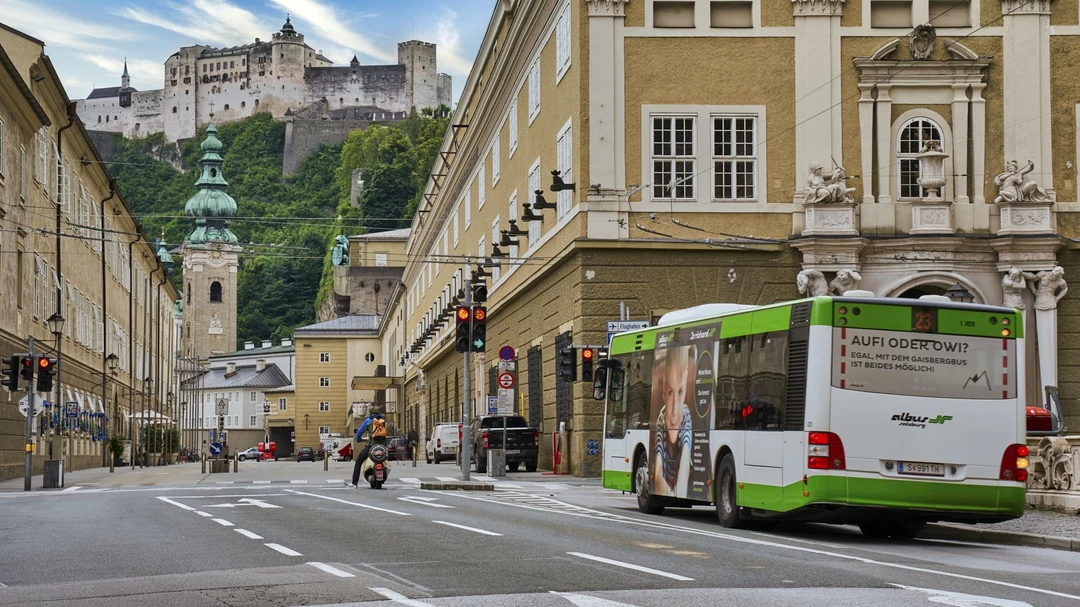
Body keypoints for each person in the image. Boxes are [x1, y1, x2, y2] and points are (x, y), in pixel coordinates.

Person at [652, 346, 694, 497]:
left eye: (680, 392)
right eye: (670, 393)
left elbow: (684, 466)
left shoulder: (686, 418)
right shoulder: (661, 420)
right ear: (663, 391)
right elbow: (657, 475)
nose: (675, 413)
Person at [348, 412, 387, 487]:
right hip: (382, 447)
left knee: (359, 461)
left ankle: (354, 482)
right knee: (385, 461)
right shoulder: (384, 421)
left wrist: (358, 439)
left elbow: (359, 433)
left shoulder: (369, 421)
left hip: (372, 447)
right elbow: (390, 432)